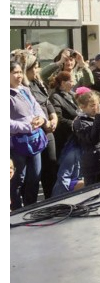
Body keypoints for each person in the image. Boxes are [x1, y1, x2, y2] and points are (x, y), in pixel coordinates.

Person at [10, 60, 47, 210]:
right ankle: (16, 210)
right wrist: (27, 126)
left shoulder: (25, 89)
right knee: (18, 179)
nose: (19, 76)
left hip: (34, 141)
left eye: (20, 72)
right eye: (14, 73)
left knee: (34, 177)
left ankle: (31, 208)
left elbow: (37, 107)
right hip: (17, 143)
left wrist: (41, 118)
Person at [23, 53, 58, 199]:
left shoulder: (38, 83)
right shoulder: (23, 87)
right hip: (36, 133)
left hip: (48, 131)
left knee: (51, 167)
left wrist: (53, 116)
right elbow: (30, 110)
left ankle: (51, 200)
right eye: (35, 68)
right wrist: (45, 123)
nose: (37, 71)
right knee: (35, 175)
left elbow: (47, 101)